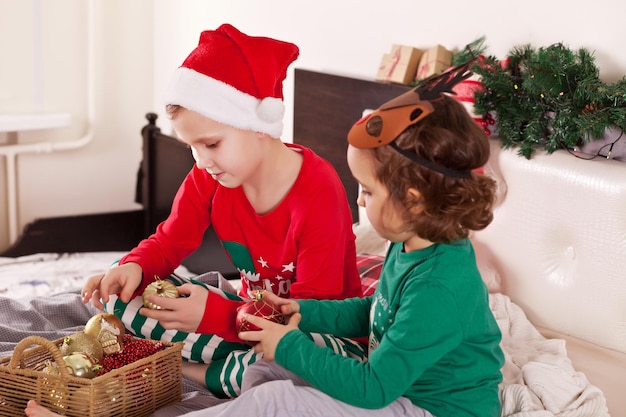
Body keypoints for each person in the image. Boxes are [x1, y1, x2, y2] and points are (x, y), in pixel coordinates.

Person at [23, 24, 365, 417]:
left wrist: (215, 315)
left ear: (260, 126)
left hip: (314, 336)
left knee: (283, 368)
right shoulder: (210, 175)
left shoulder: (319, 192)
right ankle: (221, 364)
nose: (201, 161)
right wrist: (135, 265)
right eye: (191, 147)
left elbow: (304, 315)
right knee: (126, 298)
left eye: (211, 144)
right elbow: (169, 241)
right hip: (245, 319)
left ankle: (194, 370)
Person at [168, 60, 506, 417]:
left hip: (429, 408)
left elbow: (373, 388)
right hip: (393, 387)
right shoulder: (411, 242)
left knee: (275, 399)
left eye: (368, 191)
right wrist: (302, 312)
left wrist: (289, 345)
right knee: (269, 372)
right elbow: (375, 312)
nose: (358, 200)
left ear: (413, 200)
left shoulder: (438, 287)